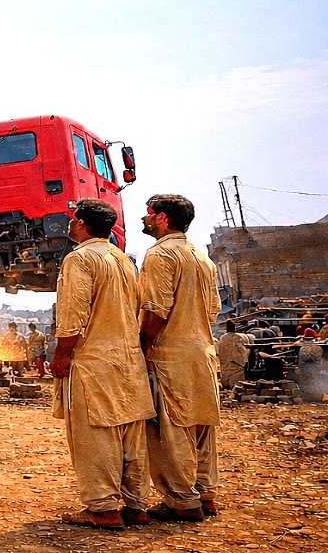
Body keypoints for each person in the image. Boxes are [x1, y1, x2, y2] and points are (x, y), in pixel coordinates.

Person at [52, 198, 155, 530]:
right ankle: (137, 505)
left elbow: (72, 315)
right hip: (128, 361)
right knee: (131, 435)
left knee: (95, 436)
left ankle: (103, 509)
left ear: (82, 224)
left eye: (73, 219)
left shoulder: (79, 259)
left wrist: (61, 354)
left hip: (93, 362)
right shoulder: (125, 261)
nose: (70, 224)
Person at [138, 194, 222, 522]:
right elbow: (213, 311)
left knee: (168, 430)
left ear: (162, 218)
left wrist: (144, 346)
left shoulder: (160, 255)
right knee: (202, 427)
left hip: (170, 355)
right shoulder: (203, 259)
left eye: (148, 214)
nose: (144, 219)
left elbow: (156, 311)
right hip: (202, 353)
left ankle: (182, 500)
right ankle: (206, 495)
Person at [215, 320, 250, 389]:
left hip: (227, 366)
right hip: (237, 365)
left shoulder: (223, 338)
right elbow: (245, 351)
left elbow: (220, 352)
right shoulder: (241, 337)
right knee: (237, 386)